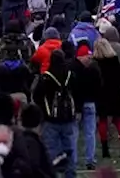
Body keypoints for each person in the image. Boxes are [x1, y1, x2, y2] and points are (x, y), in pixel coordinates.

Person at [34, 48, 78, 178]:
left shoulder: (46, 77)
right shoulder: (71, 75)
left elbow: (37, 96)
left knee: (51, 149)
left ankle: (53, 174)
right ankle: (70, 174)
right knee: (69, 148)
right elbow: (77, 92)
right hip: (68, 117)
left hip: (50, 119)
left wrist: (43, 111)